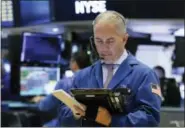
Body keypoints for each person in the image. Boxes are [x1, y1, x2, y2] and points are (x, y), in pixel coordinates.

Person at [58, 11, 162, 127]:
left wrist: (112, 121)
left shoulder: (145, 75)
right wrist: (76, 112)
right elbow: (63, 114)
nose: (104, 48)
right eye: (99, 41)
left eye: (110, 41)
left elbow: (151, 117)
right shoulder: (82, 76)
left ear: (124, 39)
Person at [32, 51, 91, 127]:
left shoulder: (64, 83)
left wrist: (38, 100)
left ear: (74, 64)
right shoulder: (95, 82)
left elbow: (44, 106)